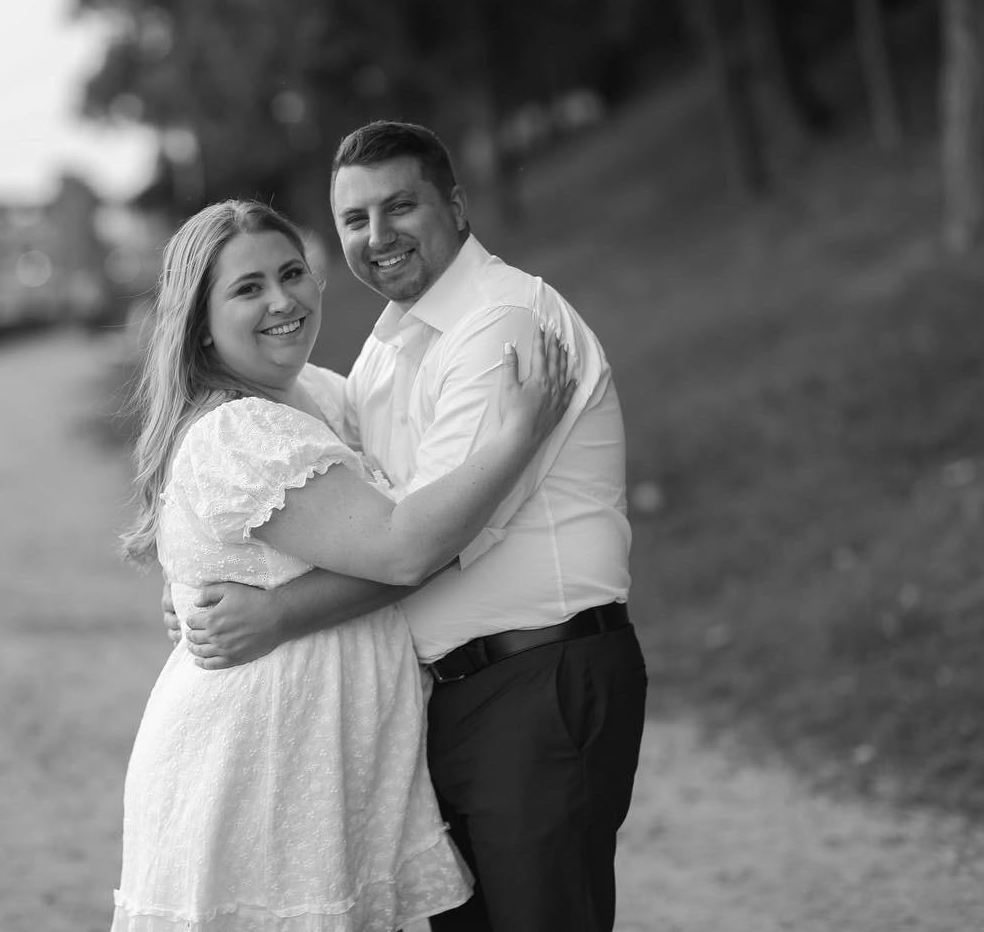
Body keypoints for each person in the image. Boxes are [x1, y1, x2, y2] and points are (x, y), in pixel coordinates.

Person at [176, 121, 648, 932]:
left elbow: (423, 544)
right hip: (449, 700)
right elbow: (337, 509)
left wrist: (276, 613)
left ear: (456, 207)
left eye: (400, 207)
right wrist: (211, 583)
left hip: (537, 677)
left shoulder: (503, 325)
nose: (378, 235)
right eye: (355, 219)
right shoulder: (386, 351)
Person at [112, 198, 575, 932]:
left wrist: (273, 608)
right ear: (200, 322)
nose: (282, 300)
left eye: (291, 273)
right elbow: (404, 548)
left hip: (326, 757)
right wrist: (517, 436)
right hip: (261, 766)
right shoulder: (238, 432)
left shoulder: (320, 396)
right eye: (248, 288)